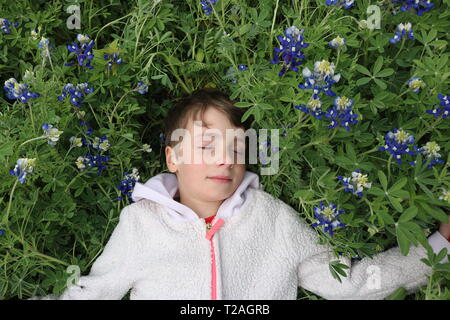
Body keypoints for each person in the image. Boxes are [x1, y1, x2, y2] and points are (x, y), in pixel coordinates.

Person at [29, 88, 450, 300]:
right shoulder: (141, 224)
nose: (225, 159)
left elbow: (353, 283)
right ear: (173, 157)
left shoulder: (274, 219)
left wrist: (441, 245)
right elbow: (92, 291)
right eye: (207, 145)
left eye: (236, 148)